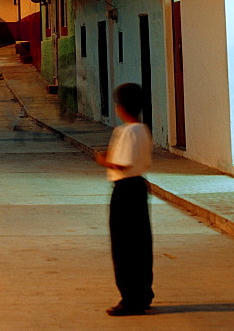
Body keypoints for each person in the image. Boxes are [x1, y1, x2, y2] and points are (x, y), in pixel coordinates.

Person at [94, 82, 154, 317]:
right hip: (138, 185)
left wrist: (103, 160)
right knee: (140, 243)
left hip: (125, 187)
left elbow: (123, 162)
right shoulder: (144, 129)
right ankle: (143, 294)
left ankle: (130, 298)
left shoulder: (127, 131)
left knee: (124, 245)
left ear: (120, 107)